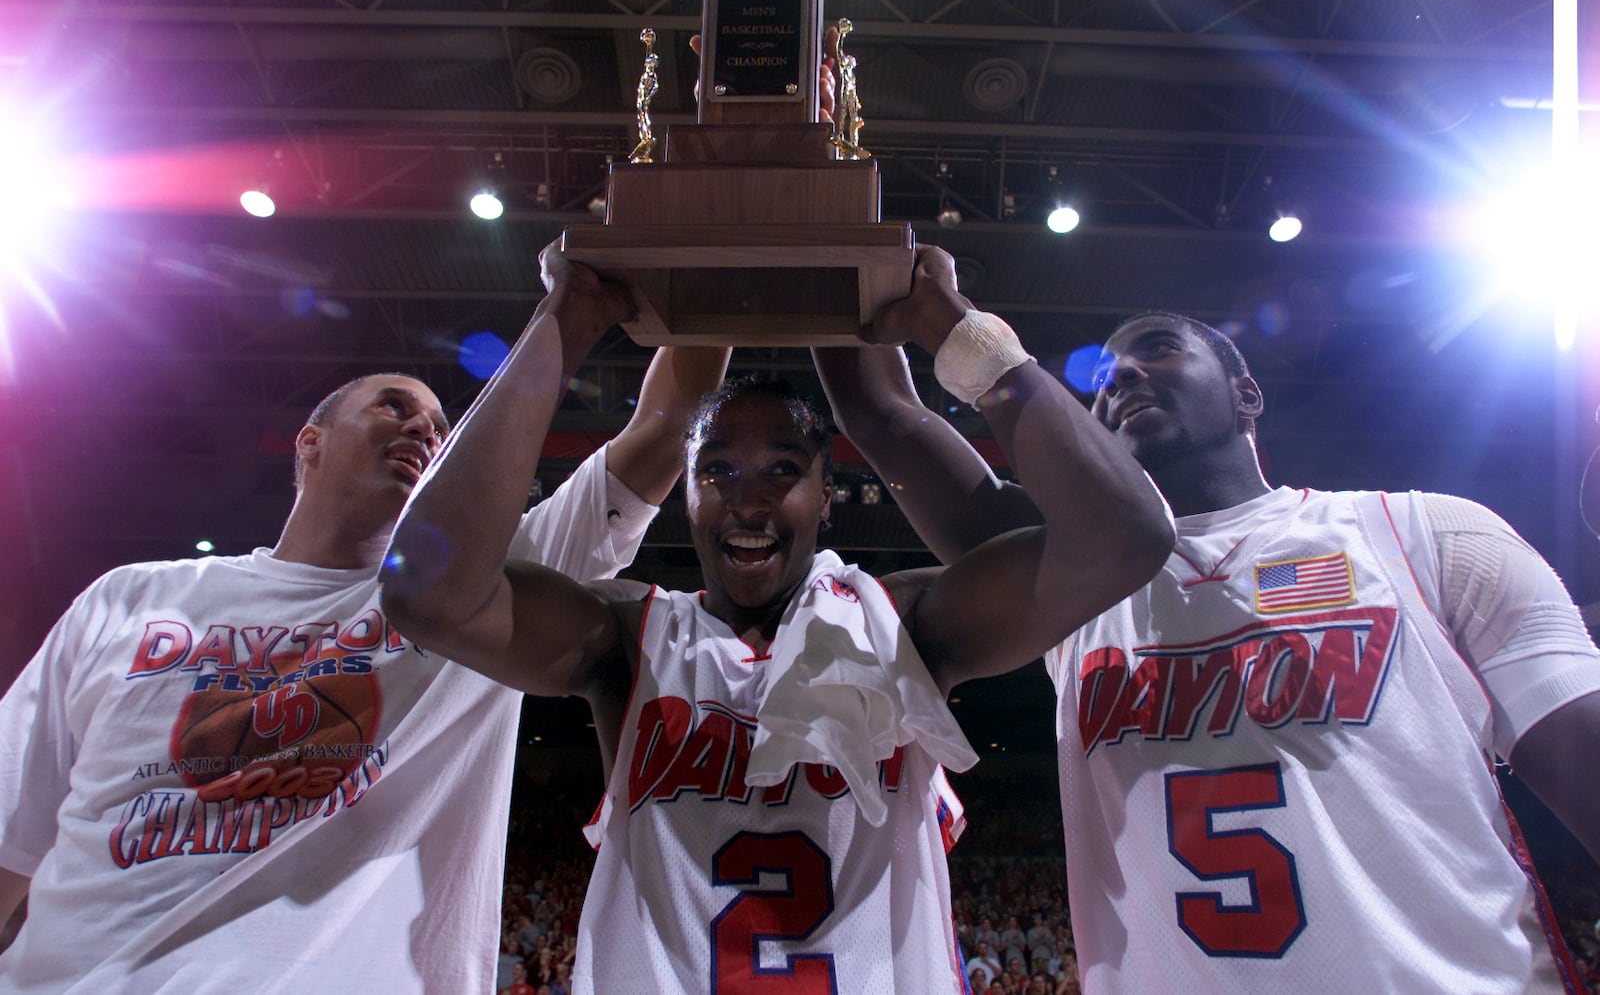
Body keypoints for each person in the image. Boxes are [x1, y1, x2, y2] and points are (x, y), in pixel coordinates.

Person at [379, 245, 1173, 993]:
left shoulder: (903, 624)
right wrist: (564, 322)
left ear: (828, 498)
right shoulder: (625, 637)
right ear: (682, 495)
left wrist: (957, 331)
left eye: (783, 470)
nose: (748, 496)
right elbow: (427, 592)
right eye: (716, 469)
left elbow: (1125, 533)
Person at [821, 310, 1600, 993]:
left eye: (1157, 348)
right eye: (1100, 380)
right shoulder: (1073, 582)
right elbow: (882, 410)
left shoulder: (1425, 535)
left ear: (1246, 393)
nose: (1120, 373)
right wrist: (845, 256)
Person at [0, 263, 728, 989]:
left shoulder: (480, 592)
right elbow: (11, 841)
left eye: (442, 427)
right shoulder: (128, 600)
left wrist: (697, 227)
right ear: (308, 442)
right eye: (392, 407)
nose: (424, 427)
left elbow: (666, 432)